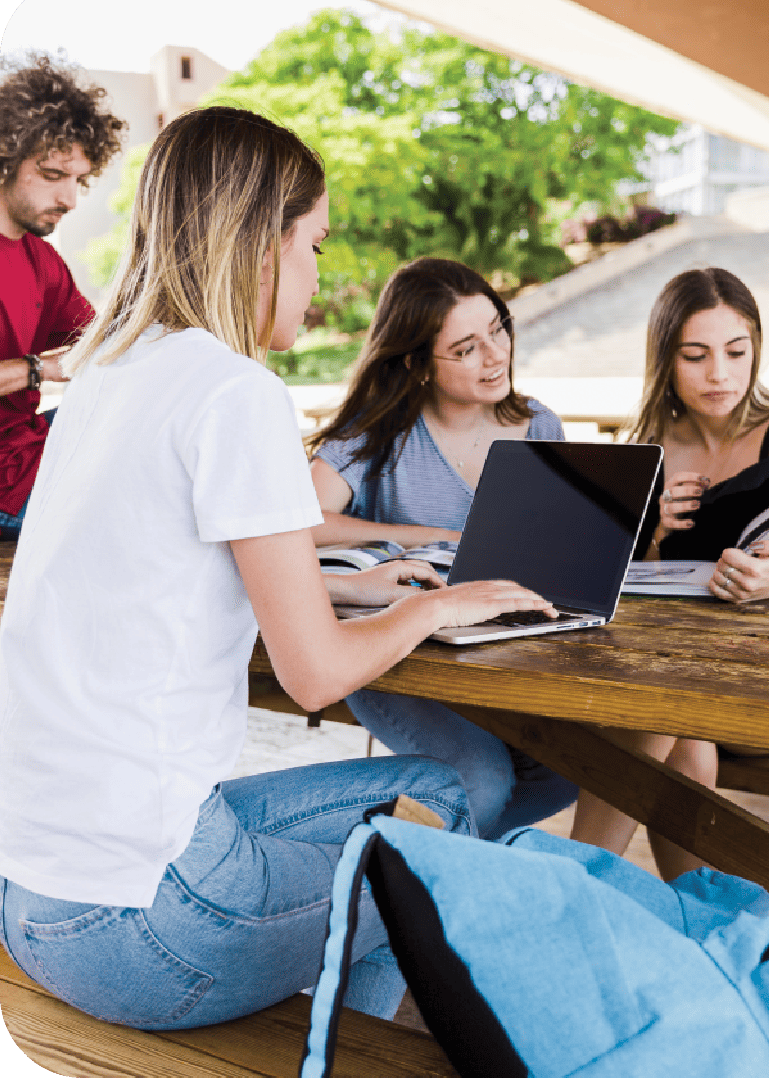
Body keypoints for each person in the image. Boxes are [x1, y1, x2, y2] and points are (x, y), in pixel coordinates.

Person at [0, 107, 558, 1031]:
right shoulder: (236, 390)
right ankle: (352, 1048)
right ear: (263, 245)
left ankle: (344, 1035)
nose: (319, 276)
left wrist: (352, 584)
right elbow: (316, 675)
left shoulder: (106, 372)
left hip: (30, 897)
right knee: (439, 832)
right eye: (316, 246)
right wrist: (433, 607)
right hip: (141, 929)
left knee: (429, 793)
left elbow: (158, 567)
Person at [571, 266, 769, 880]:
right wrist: (654, 532)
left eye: (735, 352)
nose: (719, 373)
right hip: (680, 663)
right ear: (665, 359)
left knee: (657, 707)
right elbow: (632, 582)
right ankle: (695, 907)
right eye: (696, 355)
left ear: (756, 349)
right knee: (675, 722)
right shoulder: (648, 445)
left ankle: (576, 883)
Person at [307, 258, 577, 838]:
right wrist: (426, 537)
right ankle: (408, 868)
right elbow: (300, 525)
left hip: (504, 648)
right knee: (480, 779)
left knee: (570, 769)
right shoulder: (377, 433)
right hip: (394, 652)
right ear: (416, 363)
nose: (496, 355)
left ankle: (420, 852)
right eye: (466, 348)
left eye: (498, 330)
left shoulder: (539, 427)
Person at [0, 53, 126, 539]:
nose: (70, 200)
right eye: (54, 176)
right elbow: (52, 366)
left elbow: (102, 341)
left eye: (78, 180)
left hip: (30, 450)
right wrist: (37, 369)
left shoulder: (42, 260)